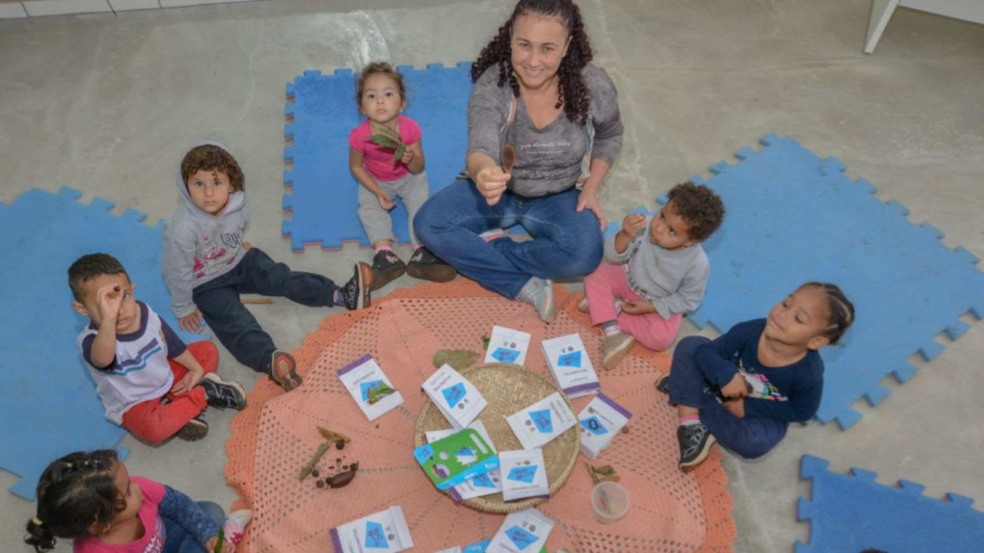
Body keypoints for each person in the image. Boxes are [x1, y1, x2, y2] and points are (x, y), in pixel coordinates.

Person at [414, 0, 623, 322]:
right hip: (497, 194)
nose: (534, 61)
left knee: (585, 256)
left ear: (567, 47)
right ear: (510, 37)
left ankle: (488, 249)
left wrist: (592, 187)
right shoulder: (494, 84)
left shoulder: (592, 83)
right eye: (524, 45)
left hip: (560, 195)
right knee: (428, 223)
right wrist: (484, 173)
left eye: (548, 48)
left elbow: (610, 135)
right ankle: (522, 283)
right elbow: (480, 144)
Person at [163, 142, 374, 392]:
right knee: (234, 320)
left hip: (239, 259)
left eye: (217, 183)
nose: (209, 192)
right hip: (205, 283)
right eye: (199, 184)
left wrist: (238, 245)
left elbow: (236, 228)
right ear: (185, 187)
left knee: (279, 277)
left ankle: (339, 295)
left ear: (231, 184)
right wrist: (183, 307)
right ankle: (270, 361)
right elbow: (175, 272)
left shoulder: (238, 204)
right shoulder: (182, 229)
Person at [656, 282, 855, 471]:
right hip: (721, 384)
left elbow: (802, 411)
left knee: (755, 442)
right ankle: (690, 424)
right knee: (691, 345)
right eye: (786, 303)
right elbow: (707, 353)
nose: (783, 314)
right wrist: (726, 374)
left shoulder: (808, 374)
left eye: (799, 319)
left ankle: (686, 391)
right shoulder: (750, 331)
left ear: (816, 341)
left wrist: (748, 408)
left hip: (758, 410)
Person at [69, 253, 246, 444]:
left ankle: (179, 412)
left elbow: (172, 344)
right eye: (105, 305)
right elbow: (103, 359)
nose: (118, 310)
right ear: (83, 309)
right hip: (134, 402)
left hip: (165, 374)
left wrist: (196, 369)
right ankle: (204, 393)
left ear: (133, 290)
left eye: (124, 297)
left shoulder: (144, 311)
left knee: (207, 350)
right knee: (153, 430)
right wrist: (108, 320)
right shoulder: (90, 341)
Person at [581, 182, 725, 370]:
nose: (658, 228)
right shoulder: (644, 225)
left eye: (671, 231)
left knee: (661, 339)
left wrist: (651, 307)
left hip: (657, 301)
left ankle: (607, 309)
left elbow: (689, 300)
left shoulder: (697, 264)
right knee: (594, 272)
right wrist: (624, 235)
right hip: (627, 279)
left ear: (691, 241)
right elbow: (611, 255)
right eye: (662, 216)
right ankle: (612, 328)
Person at [349, 61, 454, 288]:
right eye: (371, 96)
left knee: (421, 205)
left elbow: (419, 168)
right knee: (368, 209)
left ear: (402, 103)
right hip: (376, 179)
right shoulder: (359, 136)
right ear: (361, 107)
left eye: (388, 94)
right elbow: (356, 167)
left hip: (408, 177)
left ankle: (422, 252)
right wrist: (377, 192)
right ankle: (385, 255)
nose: (380, 101)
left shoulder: (410, 129)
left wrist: (410, 159)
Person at [24, 449, 251, 553]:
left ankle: (220, 536)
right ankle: (224, 539)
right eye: (128, 492)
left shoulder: (139, 487)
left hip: (170, 536)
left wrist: (207, 534)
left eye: (129, 480)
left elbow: (179, 506)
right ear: (101, 523)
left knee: (211, 511)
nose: (137, 486)